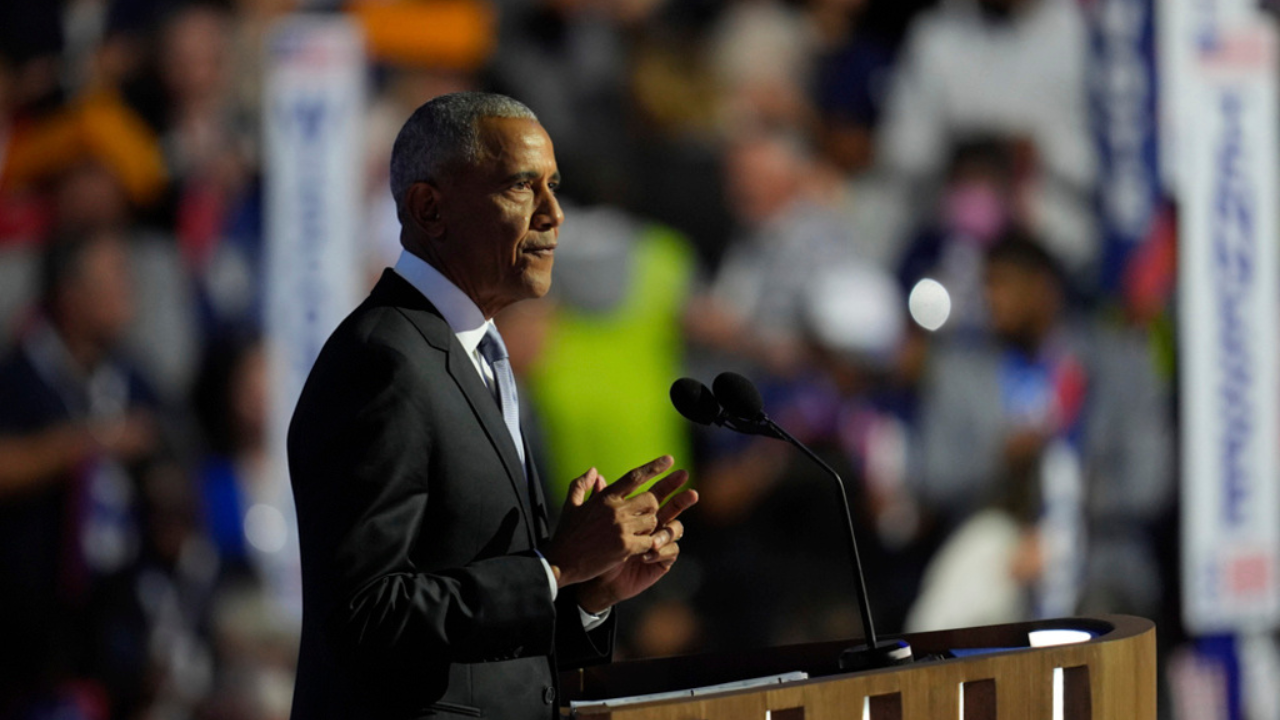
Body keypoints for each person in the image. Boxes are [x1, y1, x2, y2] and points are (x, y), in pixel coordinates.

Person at [287, 92, 698, 720]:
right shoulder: (383, 362)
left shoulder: (480, 351)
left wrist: (586, 593)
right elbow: (365, 616)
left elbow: (483, 642)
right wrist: (554, 566)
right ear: (431, 209)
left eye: (554, 186)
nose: (554, 214)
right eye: (520, 187)